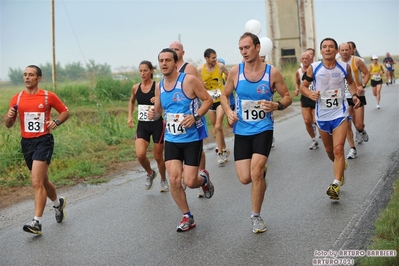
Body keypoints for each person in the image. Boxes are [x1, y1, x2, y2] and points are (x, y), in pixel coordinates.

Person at [220, 32, 292, 233]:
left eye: (247, 47)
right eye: (241, 48)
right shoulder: (236, 72)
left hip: (263, 129)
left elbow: (287, 97)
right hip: (242, 130)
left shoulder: (272, 73)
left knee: (255, 171)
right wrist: (228, 112)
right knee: (245, 178)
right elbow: (224, 96)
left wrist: (276, 105)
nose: (244, 52)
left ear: (258, 47)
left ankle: (256, 216)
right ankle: (260, 175)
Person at [148, 48, 214, 232]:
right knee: (175, 180)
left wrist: (195, 116)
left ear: (175, 62)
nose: (164, 64)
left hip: (192, 138)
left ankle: (204, 180)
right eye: (161, 60)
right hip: (172, 139)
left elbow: (208, 100)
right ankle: (187, 216)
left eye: (168, 60)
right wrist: (154, 114)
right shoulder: (159, 86)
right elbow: (159, 112)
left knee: (191, 182)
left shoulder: (189, 80)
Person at [4, 65, 70, 235]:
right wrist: (9, 116)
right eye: (25, 74)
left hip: (43, 141)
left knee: (36, 183)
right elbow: (8, 124)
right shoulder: (17, 98)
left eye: (31, 75)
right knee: (43, 181)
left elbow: (65, 112)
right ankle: (58, 204)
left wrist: (56, 121)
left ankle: (37, 222)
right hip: (26, 143)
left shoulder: (48, 96)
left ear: (38, 78)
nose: (27, 78)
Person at [301, 38, 360, 201]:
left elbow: (351, 83)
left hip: (340, 114)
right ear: (321, 51)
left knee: (338, 149)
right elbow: (303, 87)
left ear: (336, 51)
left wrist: (354, 95)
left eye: (331, 47)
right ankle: (340, 168)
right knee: (329, 151)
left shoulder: (344, 67)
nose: (327, 49)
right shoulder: (314, 68)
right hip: (321, 116)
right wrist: (310, 94)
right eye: (324, 47)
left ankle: (335, 184)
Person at [169, 40, 206, 198]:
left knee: (197, 149)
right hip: (176, 120)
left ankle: (201, 174)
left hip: (193, 115)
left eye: (176, 49)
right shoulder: (169, 69)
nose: (174, 51)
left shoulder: (188, 68)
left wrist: (195, 113)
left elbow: (198, 88)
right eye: (171, 49)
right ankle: (188, 175)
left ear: (182, 52)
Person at [127, 60, 168, 192]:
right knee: (140, 155)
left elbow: (165, 103)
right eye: (141, 71)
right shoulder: (135, 87)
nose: (143, 73)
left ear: (151, 71)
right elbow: (131, 101)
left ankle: (163, 179)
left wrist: (158, 100)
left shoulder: (157, 86)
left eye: (145, 70)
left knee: (158, 156)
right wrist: (129, 116)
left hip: (157, 125)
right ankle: (150, 173)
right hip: (143, 125)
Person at [197, 48, 230, 166]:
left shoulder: (220, 67)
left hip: (221, 99)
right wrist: (201, 84)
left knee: (218, 125)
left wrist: (228, 89)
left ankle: (220, 153)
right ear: (206, 58)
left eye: (216, 57)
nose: (215, 59)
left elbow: (230, 77)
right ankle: (225, 149)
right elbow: (194, 81)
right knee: (217, 129)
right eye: (213, 58)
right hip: (209, 102)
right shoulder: (200, 69)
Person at [338, 43, 370, 158]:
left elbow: (367, 74)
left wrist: (363, 85)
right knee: (346, 124)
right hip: (343, 97)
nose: (345, 52)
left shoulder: (357, 61)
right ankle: (352, 148)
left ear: (350, 50)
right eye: (343, 50)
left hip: (358, 94)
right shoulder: (336, 63)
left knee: (359, 124)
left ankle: (361, 131)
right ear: (339, 51)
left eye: (347, 50)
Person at [295, 52, 318, 150]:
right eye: (303, 58)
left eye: (306, 58)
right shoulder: (299, 72)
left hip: (315, 97)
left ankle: (318, 128)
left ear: (310, 59)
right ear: (301, 60)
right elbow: (297, 82)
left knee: (315, 121)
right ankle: (314, 140)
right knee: (307, 120)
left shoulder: (316, 69)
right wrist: (296, 89)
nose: (304, 60)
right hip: (305, 97)